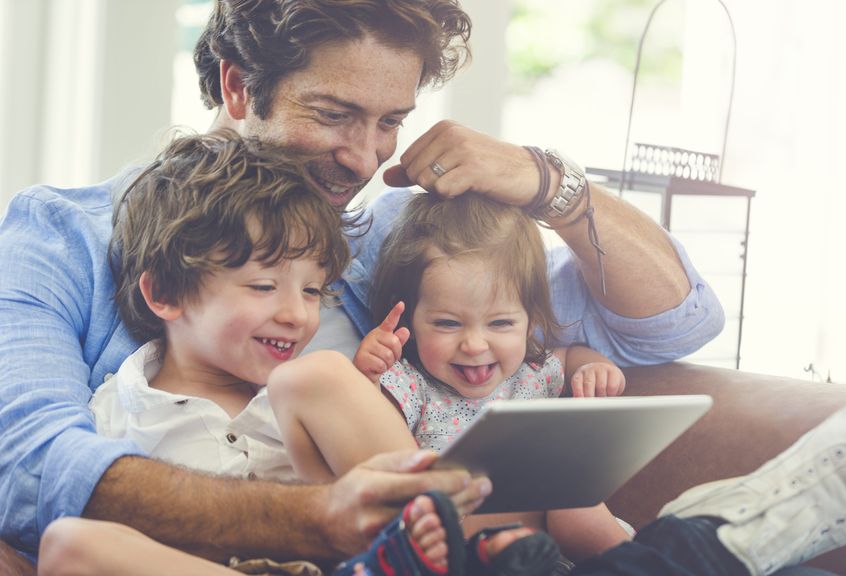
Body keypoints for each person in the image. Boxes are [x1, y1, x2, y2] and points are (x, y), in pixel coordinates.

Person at [0, 0, 726, 570]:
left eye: (390, 123)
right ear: (237, 85)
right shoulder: (64, 236)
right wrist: (313, 519)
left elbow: (670, 323)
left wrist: (546, 185)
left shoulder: (388, 236)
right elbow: (30, 465)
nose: (362, 159)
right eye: (334, 113)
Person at [353, 192, 631, 562]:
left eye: (500, 323)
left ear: (530, 322)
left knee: (573, 494)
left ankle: (637, 562)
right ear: (410, 324)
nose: (474, 344)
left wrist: (593, 366)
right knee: (565, 488)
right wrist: (369, 372)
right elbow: (363, 420)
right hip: (464, 538)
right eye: (447, 323)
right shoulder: (409, 383)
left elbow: (569, 358)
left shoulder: (532, 373)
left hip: (552, 550)